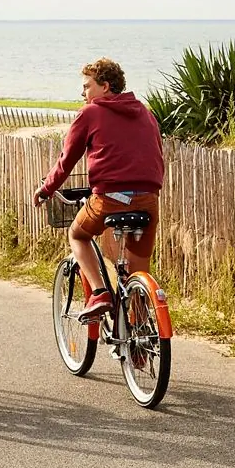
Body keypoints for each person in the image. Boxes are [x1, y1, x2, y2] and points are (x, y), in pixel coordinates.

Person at [34, 57, 164, 321]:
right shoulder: (145, 112)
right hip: (148, 200)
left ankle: (100, 292)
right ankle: (139, 346)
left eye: (87, 86)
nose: (83, 93)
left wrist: (46, 189)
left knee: (77, 235)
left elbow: (66, 160)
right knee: (139, 272)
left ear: (105, 86)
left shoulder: (90, 113)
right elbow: (157, 155)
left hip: (109, 199)